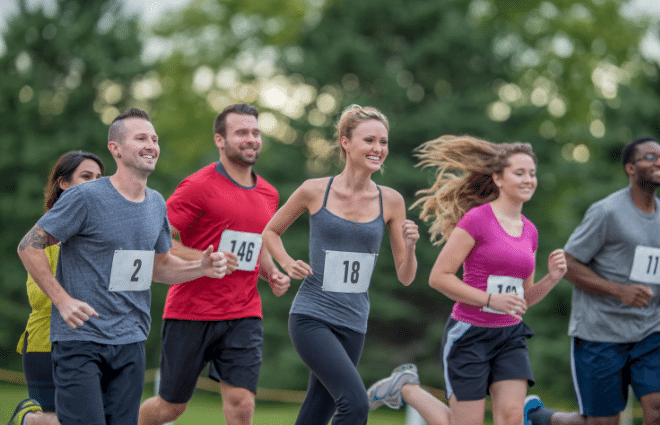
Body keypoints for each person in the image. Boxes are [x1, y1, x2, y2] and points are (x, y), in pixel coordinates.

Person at [16, 108, 228, 425]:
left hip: (131, 342)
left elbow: (160, 267)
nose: (151, 144)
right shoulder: (85, 197)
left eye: (154, 139)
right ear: (115, 149)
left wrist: (202, 267)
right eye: (140, 138)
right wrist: (62, 300)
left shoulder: (156, 203)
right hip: (80, 342)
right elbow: (28, 246)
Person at [370, 135, 566, 425]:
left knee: (512, 418)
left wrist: (551, 279)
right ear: (498, 178)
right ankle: (407, 388)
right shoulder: (477, 219)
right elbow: (439, 277)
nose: (528, 179)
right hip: (470, 335)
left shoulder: (530, 231)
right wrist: (489, 300)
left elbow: (521, 300)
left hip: (510, 336)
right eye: (520, 173)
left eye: (532, 174)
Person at [261, 104, 420, 425]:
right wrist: (287, 262)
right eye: (370, 140)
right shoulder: (314, 190)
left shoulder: (391, 200)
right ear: (345, 142)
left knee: (316, 413)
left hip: (354, 323)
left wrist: (412, 247)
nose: (378, 149)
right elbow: (269, 231)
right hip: (312, 317)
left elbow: (405, 276)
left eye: (383, 142)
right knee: (355, 405)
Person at [137, 103, 290, 425]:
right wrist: (205, 259)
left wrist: (270, 271)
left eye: (256, 132)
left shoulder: (269, 194)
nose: (251, 139)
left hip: (244, 313)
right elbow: (161, 239)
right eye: (242, 133)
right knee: (170, 408)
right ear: (220, 140)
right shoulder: (197, 186)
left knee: (242, 403)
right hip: (191, 312)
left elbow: (256, 243)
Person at [526, 137, 660, 425]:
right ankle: (540, 418)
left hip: (650, 331)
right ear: (630, 168)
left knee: (657, 407)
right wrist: (619, 291)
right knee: (603, 422)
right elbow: (569, 264)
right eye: (650, 157)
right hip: (601, 334)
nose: (658, 162)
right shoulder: (607, 212)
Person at [8, 151, 104, 425]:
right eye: (86, 176)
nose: (94, 183)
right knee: (67, 420)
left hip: (97, 343)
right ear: (63, 183)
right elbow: (38, 298)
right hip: (46, 343)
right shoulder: (47, 234)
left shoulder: (103, 233)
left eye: (99, 178)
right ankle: (28, 420)